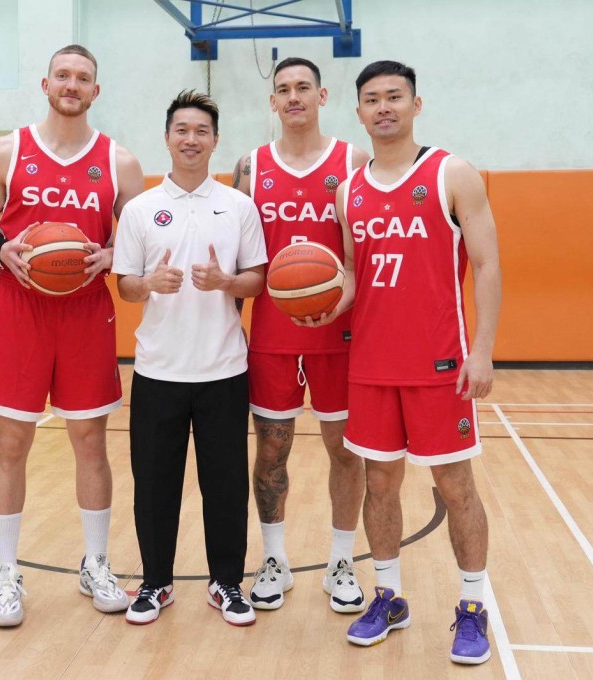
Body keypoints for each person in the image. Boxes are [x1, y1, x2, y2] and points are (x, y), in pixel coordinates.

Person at [0, 44, 144, 627]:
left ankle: (96, 562)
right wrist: (2, 248)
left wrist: (114, 254)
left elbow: (141, 237)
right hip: (19, 311)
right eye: (63, 76)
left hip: (85, 314)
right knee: (11, 446)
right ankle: (5, 573)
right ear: (46, 84)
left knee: (90, 443)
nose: (72, 85)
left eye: (84, 78)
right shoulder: (5, 151)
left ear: (97, 90)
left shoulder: (118, 161)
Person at [334, 60, 502, 665]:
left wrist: (480, 349)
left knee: (455, 485)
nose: (384, 108)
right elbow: (355, 274)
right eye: (372, 99)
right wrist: (321, 306)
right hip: (372, 365)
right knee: (378, 484)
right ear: (358, 112)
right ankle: (389, 596)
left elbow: (486, 264)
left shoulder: (451, 173)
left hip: (438, 365)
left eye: (395, 97)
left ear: (415, 104)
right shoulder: (348, 189)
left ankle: (472, 606)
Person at [112, 90, 267, 626]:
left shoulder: (238, 206)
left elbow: (258, 278)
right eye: (182, 129)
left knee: (225, 484)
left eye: (202, 130)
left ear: (215, 141)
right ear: (167, 138)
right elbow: (126, 286)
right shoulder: (139, 210)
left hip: (224, 369)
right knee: (155, 484)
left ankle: (227, 583)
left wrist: (228, 281)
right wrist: (149, 283)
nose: (191, 139)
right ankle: (156, 583)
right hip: (158, 370)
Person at [231, 57, 370, 613]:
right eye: (283, 89)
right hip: (270, 334)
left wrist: (341, 301)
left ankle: (341, 560)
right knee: (271, 450)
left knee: (345, 451)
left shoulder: (352, 161)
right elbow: (238, 254)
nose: (293, 97)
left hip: (339, 334)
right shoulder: (249, 167)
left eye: (303, 88)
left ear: (322, 95)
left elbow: (361, 257)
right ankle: (276, 559)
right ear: (272, 102)